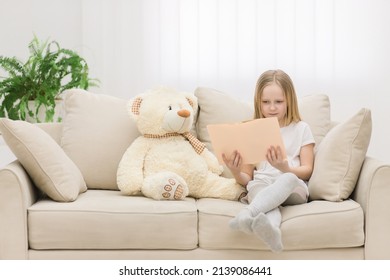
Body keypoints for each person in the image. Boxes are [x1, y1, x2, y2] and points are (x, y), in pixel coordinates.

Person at [222, 69, 315, 252]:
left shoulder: (301, 129)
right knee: (265, 197)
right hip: (262, 186)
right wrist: (234, 170)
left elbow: (307, 169)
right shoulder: (252, 130)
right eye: (266, 102)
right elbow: (247, 178)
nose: (272, 107)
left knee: (286, 180)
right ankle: (273, 233)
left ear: (289, 101)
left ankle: (247, 214)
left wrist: (285, 167)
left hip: (292, 188)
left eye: (278, 102)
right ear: (258, 102)